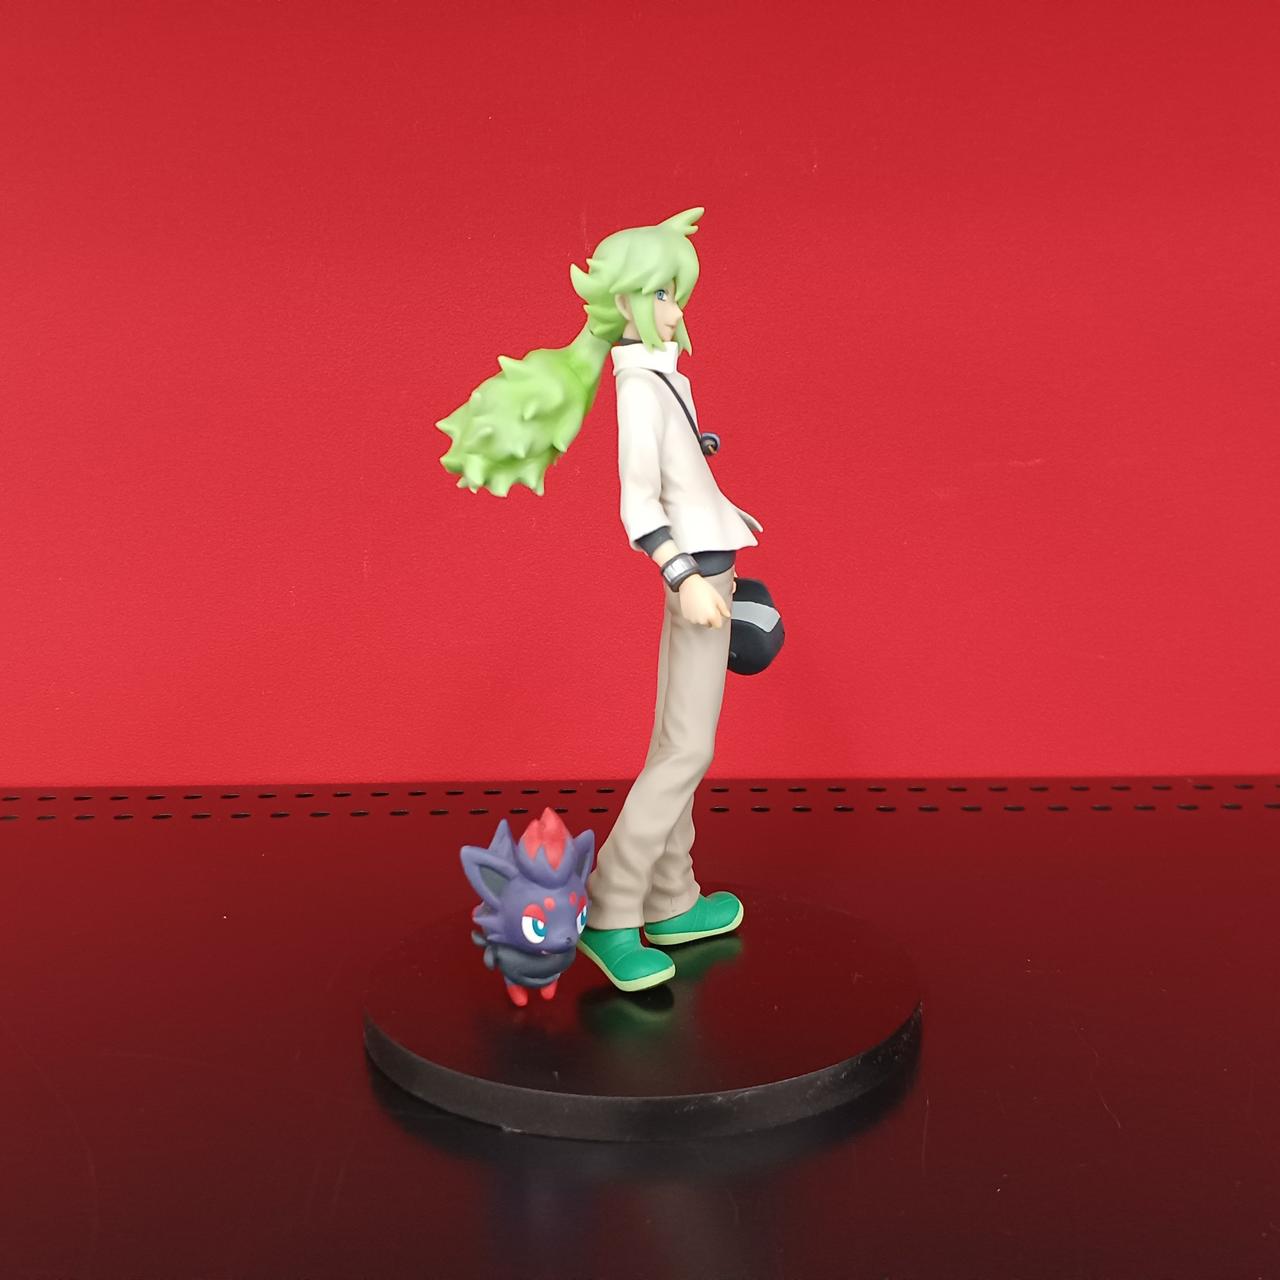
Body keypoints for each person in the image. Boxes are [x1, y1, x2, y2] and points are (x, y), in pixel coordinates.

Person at [438, 208, 762, 991]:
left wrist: (711, 490)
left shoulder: (661, 376)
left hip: (711, 565)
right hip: (697, 579)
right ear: (624, 302)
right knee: (688, 750)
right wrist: (684, 576)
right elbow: (638, 502)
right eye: (662, 293)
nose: (675, 308)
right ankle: (615, 908)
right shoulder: (640, 388)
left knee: (676, 742)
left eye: (677, 292)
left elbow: (676, 471)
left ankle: (671, 895)